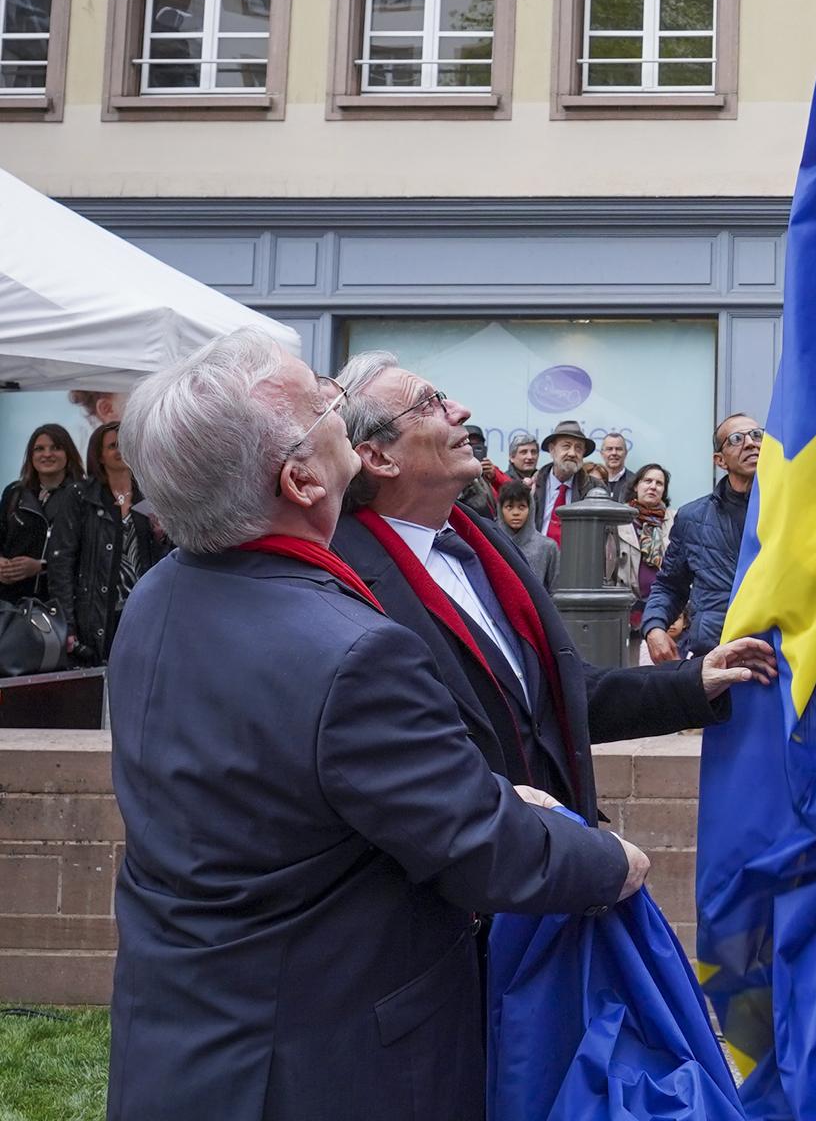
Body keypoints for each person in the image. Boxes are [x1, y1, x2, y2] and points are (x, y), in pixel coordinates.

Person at [106, 328, 648, 1121]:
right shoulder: (353, 651)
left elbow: (297, 792)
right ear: (299, 479)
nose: (340, 405)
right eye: (324, 402)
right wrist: (610, 861)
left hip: (185, 1045)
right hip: (324, 1064)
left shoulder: (159, 594)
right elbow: (482, 853)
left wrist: (486, 792)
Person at [329, 353, 773, 819]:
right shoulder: (342, 582)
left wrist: (692, 681)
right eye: (429, 405)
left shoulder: (489, 546)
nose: (459, 410)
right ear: (378, 457)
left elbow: (561, 696)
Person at [46, 423, 170, 666]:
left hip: (144, 609)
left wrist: (162, 537)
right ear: (99, 455)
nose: (120, 450)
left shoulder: (151, 494)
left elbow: (170, 557)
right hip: (96, 614)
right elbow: (61, 562)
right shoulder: (80, 495)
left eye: (125, 444)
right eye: (113, 445)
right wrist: (66, 623)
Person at [643, 413, 760, 663]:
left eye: (757, 435)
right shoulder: (692, 517)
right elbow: (670, 585)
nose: (751, 443)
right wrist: (654, 626)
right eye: (737, 438)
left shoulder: (791, 511)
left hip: (776, 655)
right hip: (715, 656)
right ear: (720, 460)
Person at [0, 423, 83, 606]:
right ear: (31, 456)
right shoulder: (13, 493)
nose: (47, 454)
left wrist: (42, 566)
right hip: (9, 606)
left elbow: (90, 557)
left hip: (59, 606)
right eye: (39, 449)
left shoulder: (83, 496)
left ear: (68, 454)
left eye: (56, 448)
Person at [611, 464, 674, 665]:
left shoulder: (674, 520)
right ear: (636, 486)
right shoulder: (619, 520)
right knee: (628, 668)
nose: (653, 487)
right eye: (647, 481)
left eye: (659, 483)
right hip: (627, 609)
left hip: (663, 607)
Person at [533, 418, 592, 537]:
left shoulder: (594, 489)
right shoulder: (532, 487)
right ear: (552, 449)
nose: (572, 453)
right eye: (566, 446)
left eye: (578, 448)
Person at [496, 478, 559, 588]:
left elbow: (556, 590)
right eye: (509, 507)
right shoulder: (491, 543)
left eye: (522, 507)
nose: (516, 513)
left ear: (531, 509)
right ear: (501, 510)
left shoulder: (547, 547)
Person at [454, 424, 500, 521]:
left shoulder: (492, 473)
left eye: (478, 445)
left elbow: (510, 494)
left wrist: (494, 478)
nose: (474, 450)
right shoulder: (455, 476)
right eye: (470, 445)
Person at [600, 431, 636, 501]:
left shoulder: (634, 482)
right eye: (609, 449)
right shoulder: (592, 481)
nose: (614, 453)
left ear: (625, 453)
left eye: (618, 449)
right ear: (602, 453)